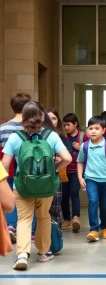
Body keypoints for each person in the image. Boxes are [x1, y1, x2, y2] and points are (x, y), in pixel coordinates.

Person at [2, 101, 71, 270]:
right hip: (47, 185)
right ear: (42, 116)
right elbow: (68, 158)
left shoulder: (15, 137)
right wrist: (54, 168)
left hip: (22, 185)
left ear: (23, 117)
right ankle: (43, 252)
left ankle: (22, 255)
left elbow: (4, 164)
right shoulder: (51, 136)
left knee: (24, 218)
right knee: (43, 216)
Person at [77, 115, 106, 241]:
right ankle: (94, 230)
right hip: (91, 179)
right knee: (93, 201)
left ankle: (104, 227)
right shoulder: (84, 146)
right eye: (91, 128)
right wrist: (80, 177)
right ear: (87, 131)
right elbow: (80, 162)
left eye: (97, 128)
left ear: (103, 130)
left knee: (105, 205)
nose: (93, 131)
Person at [0, 93, 31, 243]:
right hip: (27, 169)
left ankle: (11, 226)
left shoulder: (3, 128)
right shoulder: (31, 127)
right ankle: (30, 231)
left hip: (7, 168)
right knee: (29, 198)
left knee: (11, 197)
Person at [62, 113, 89, 231]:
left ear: (75, 124)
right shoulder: (63, 137)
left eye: (68, 125)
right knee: (64, 195)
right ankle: (66, 219)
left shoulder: (84, 136)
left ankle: (75, 217)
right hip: (64, 170)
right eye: (64, 125)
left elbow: (92, 149)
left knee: (74, 192)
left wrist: (81, 147)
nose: (66, 127)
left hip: (77, 170)